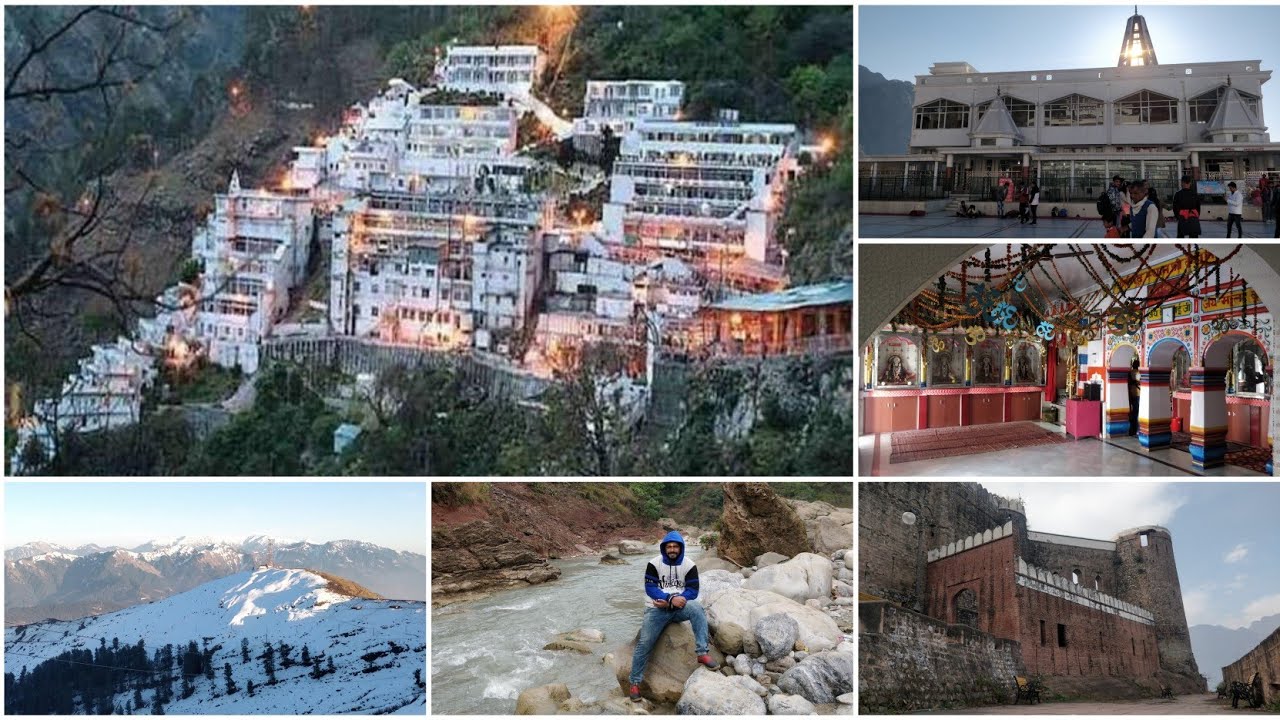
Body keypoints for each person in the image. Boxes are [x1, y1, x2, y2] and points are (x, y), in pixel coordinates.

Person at [628, 532, 717, 702]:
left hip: (678, 608)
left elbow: (692, 590)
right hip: (655, 609)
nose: (672, 549)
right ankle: (634, 683)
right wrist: (670, 599)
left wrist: (678, 600)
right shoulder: (654, 563)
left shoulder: (689, 564)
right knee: (645, 643)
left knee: (697, 608)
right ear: (664, 548)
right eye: (669, 546)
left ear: (681, 548)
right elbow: (651, 589)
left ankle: (702, 652)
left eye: (675, 546)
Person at [1127, 357, 1140, 436]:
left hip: (1131, 394)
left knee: (1133, 412)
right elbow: (1140, 382)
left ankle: (1133, 429)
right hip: (1138, 394)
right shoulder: (1139, 373)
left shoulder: (1130, 372)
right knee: (1138, 412)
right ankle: (1137, 429)